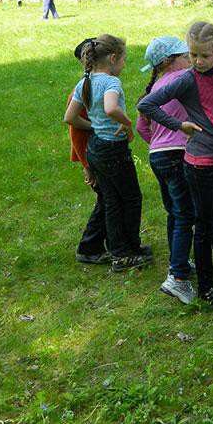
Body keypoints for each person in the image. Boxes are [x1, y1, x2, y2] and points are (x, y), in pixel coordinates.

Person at [138, 21, 213, 308]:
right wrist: (179, 124)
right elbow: (146, 105)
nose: (198, 61)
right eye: (193, 54)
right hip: (199, 164)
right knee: (206, 225)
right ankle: (206, 288)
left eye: (205, 56)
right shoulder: (185, 79)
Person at [63, 35, 152, 272]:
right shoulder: (112, 83)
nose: (124, 65)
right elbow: (111, 108)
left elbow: (70, 118)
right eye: (123, 60)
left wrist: (95, 126)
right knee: (131, 199)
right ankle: (126, 252)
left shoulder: (84, 82)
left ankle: (121, 251)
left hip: (96, 148)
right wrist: (127, 123)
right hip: (113, 149)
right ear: (113, 58)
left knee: (112, 200)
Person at [136, 36, 197, 305]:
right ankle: (178, 277)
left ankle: (179, 261)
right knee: (186, 215)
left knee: (174, 213)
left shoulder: (155, 87)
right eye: (187, 54)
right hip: (178, 154)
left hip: (157, 156)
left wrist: (158, 144)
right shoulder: (183, 76)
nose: (191, 59)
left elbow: (141, 128)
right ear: (172, 60)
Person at [67, 37, 109, 265]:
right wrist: (86, 167)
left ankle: (114, 243)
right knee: (106, 201)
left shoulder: (99, 84)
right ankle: (89, 247)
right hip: (94, 157)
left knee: (111, 200)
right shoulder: (84, 88)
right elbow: (75, 130)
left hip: (98, 154)